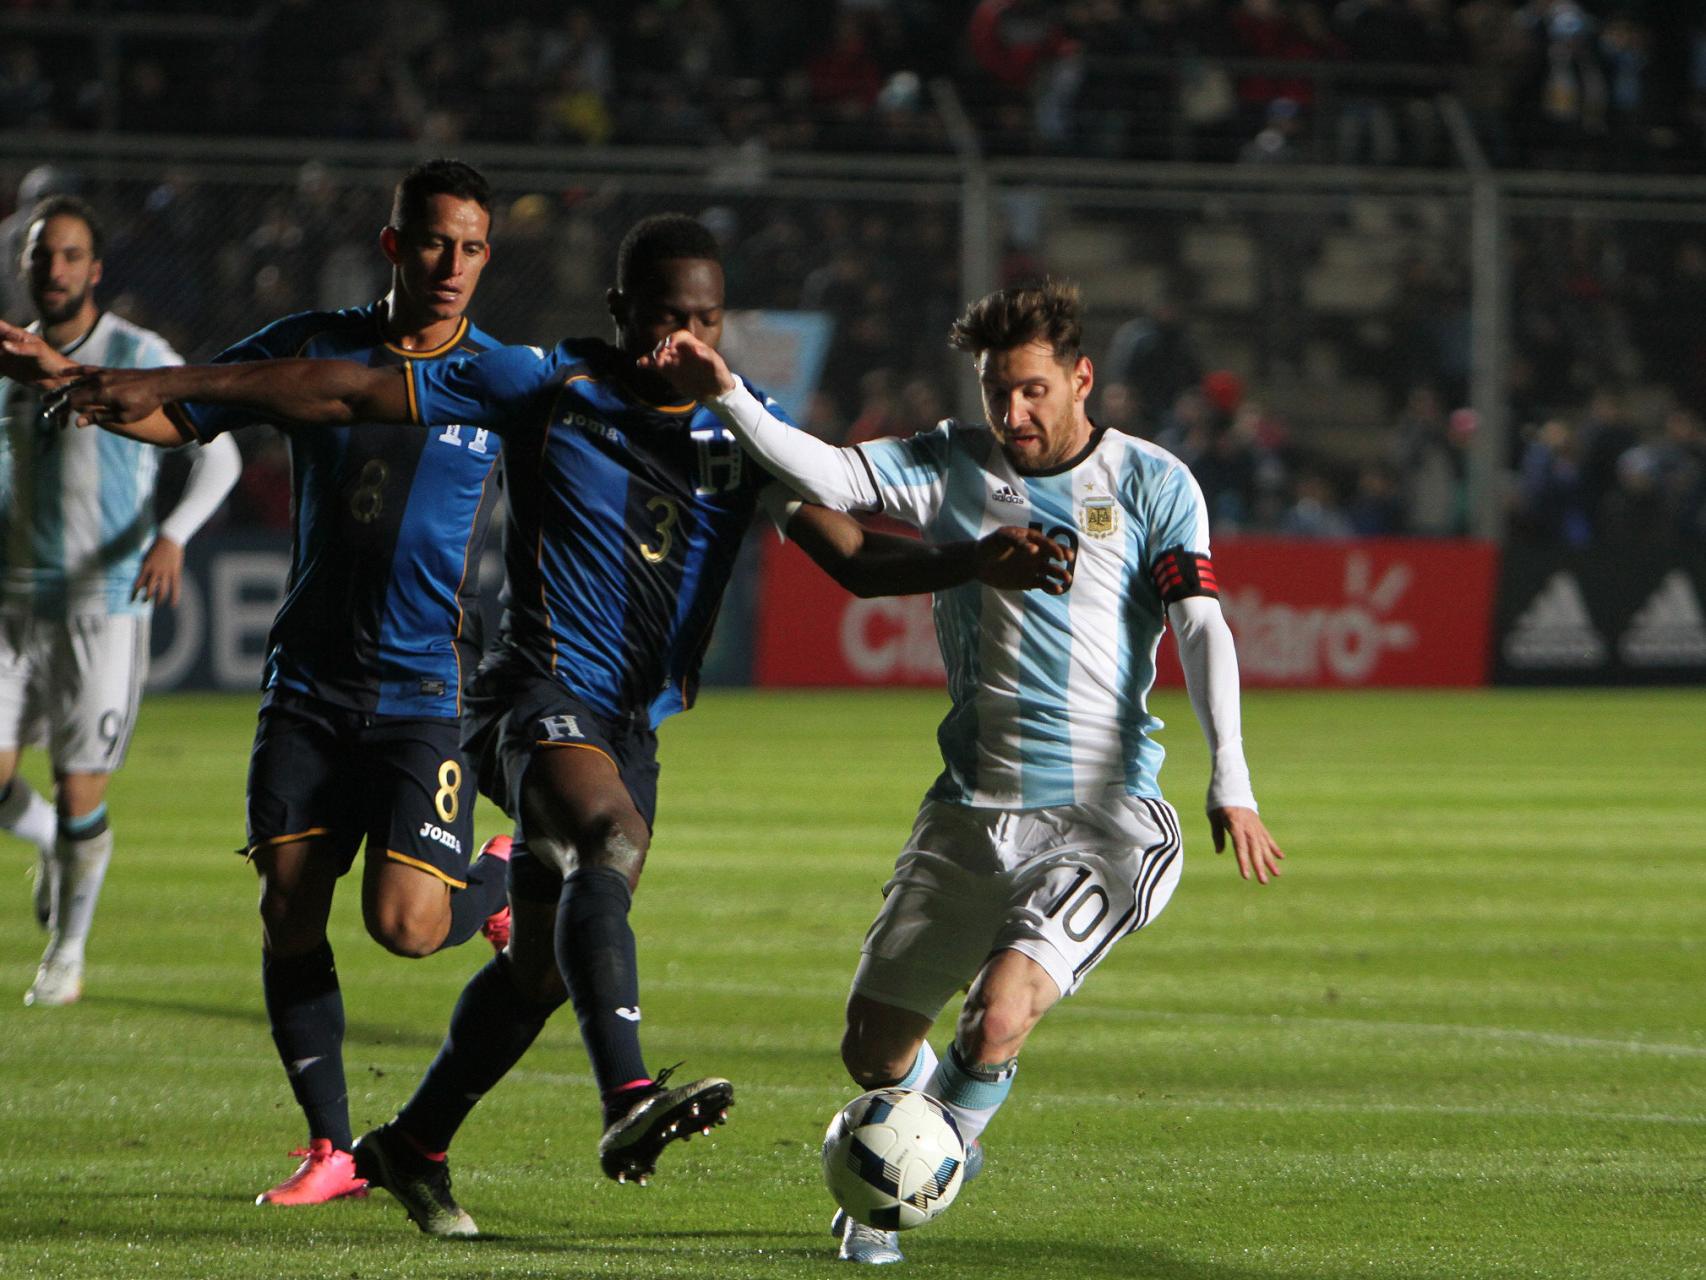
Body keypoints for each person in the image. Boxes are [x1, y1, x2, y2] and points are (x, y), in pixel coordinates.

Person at [44, 213, 1072, 1237]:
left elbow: (852, 555)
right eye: (668, 317)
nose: (688, 340)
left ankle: (413, 1142)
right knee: (603, 842)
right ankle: (626, 1095)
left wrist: (969, 557)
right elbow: (346, 387)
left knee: (537, 967)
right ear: (621, 312)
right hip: (531, 689)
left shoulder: (741, 419)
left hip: (629, 722)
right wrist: (176, 389)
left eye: (707, 319)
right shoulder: (546, 384)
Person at [644, 279, 1286, 1264]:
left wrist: (1228, 775)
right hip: (967, 807)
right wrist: (726, 391)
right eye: (996, 391)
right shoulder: (949, 460)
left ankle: (889, 1192)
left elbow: (1199, 624)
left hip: (1104, 818)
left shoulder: (1154, 482)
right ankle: (945, 1137)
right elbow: (821, 470)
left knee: (997, 1010)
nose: (1012, 413)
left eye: (1030, 390)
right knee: (871, 1049)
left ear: (1079, 379)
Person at [3, 159, 516, 1209]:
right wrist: (68, 384)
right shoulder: (308, 341)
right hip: (309, 686)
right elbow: (181, 418)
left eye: (470, 246)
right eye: (432, 241)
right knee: (288, 907)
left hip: (424, 689)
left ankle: (501, 874)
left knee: (408, 925)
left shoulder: (500, 377)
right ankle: (332, 1145)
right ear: (392, 245)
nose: (451, 264)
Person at [0, 195, 241, 1009]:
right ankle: (46, 845)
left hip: (101, 606)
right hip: (10, 601)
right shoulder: (8, 353)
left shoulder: (135, 353)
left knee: (79, 790)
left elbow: (223, 454)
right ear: (26, 266)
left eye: (70, 256)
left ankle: (66, 955)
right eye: (42, 256)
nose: (55, 269)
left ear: (95, 270)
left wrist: (173, 533)